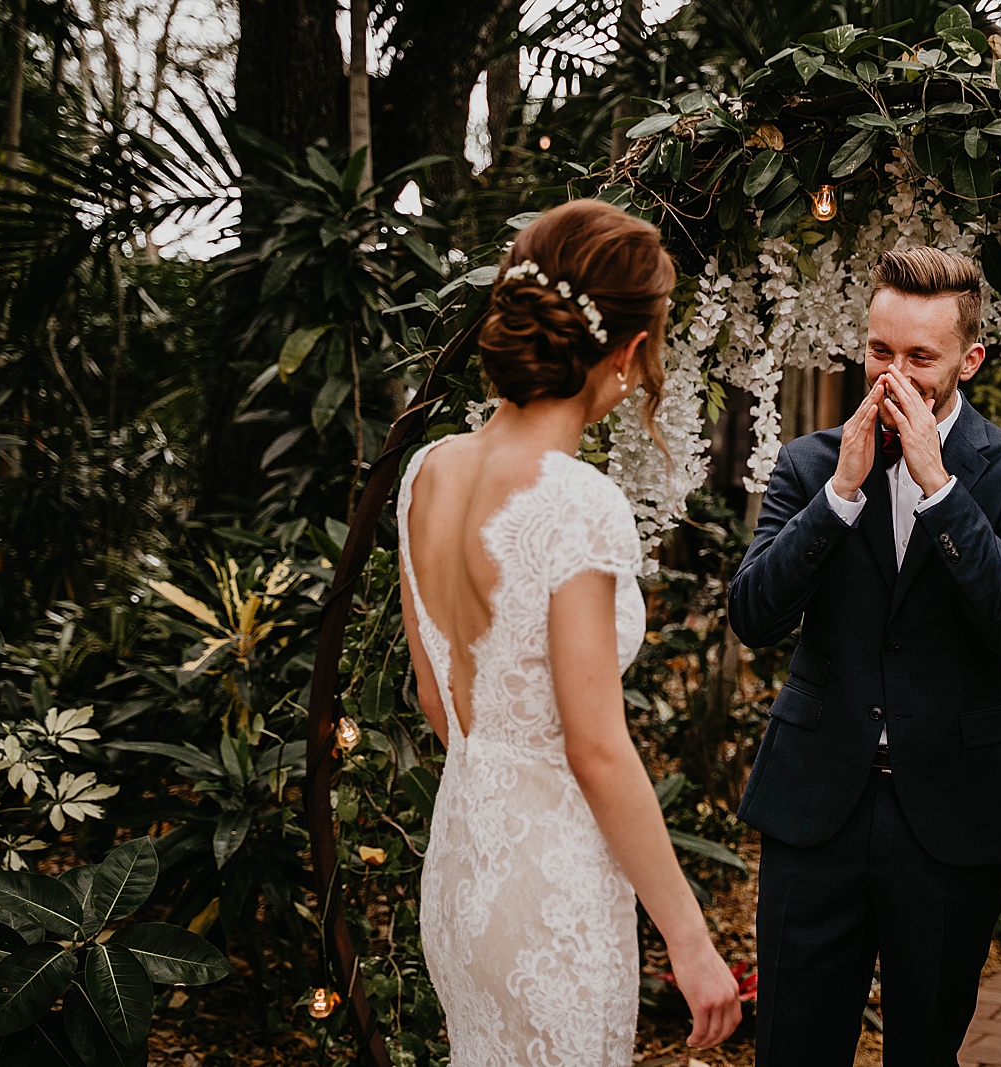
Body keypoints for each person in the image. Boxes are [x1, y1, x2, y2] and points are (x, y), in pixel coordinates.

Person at [398, 199, 741, 1065]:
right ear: (627, 351)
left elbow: (437, 699)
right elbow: (596, 747)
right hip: (553, 886)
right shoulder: (579, 504)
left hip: (461, 863)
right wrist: (693, 942)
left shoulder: (427, 471)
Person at [729, 246, 1001, 1066]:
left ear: (969, 360)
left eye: (921, 356)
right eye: (882, 350)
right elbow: (753, 615)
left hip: (951, 815)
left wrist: (941, 489)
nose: (895, 372)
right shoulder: (810, 462)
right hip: (815, 807)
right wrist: (840, 495)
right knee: (793, 1049)